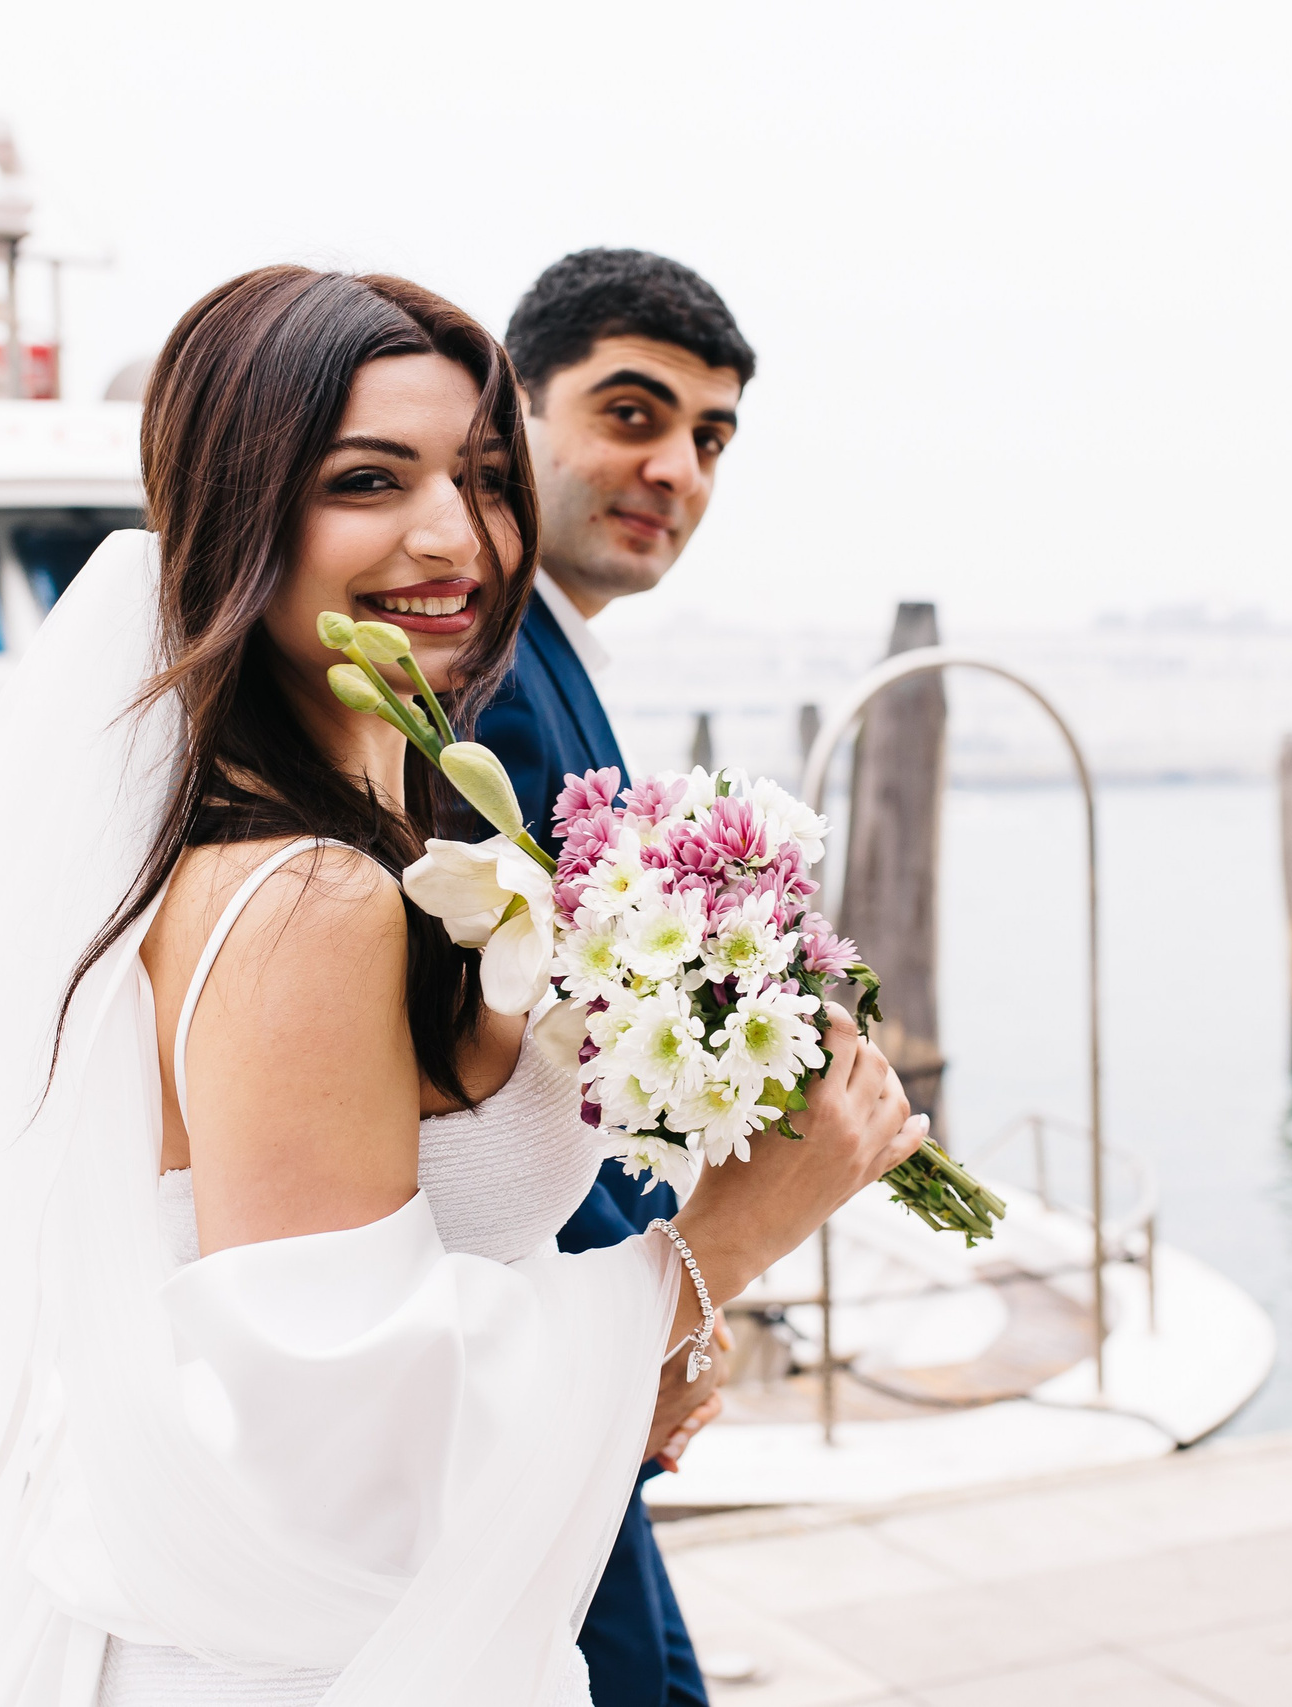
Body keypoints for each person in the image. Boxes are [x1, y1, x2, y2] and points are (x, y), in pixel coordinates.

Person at [0, 265, 920, 1707]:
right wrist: (725, 1243)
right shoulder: (305, 901)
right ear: (240, 515)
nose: (452, 536)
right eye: (368, 481)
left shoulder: (392, 850)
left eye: (482, 477)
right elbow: (338, 1458)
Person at [476, 248, 756, 1707]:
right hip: (545, 1322)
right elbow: (513, 1079)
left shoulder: (545, 654)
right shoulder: (497, 681)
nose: (679, 469)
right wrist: (659, 1316)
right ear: (512, 411)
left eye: (709, 439)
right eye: (635, 415)